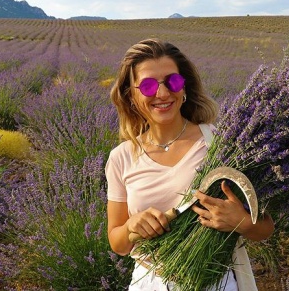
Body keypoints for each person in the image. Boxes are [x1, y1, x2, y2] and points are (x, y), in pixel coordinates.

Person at [105, 38, 274, 291]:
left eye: (172, 81)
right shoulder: (122, 157)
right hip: (150, 282)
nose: (162, 93)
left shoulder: (221, 143)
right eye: (148, 85)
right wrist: (131, 226)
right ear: (131, 96)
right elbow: (117, 243)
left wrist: (242, 222)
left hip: (216, 282)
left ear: (184, 87)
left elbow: (266, 228)